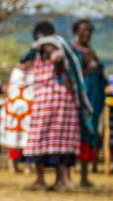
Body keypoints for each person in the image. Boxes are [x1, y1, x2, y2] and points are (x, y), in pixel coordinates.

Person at [19, 21, 81, 191]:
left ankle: (61, 180)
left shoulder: (60, 55)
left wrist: (56, 56)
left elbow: (61, 69)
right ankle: (40, 180)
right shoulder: (35, 57)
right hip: (41, 105)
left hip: (61, 106)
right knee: (38, 140)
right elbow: (23, 63)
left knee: (60, 142)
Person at [68, 19, 106, 188]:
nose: (87, 34)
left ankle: (84, 177)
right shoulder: (71, 51)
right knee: (74, 135)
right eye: (83, 30)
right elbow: (70, 75)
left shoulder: (91, 52)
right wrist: (87, 71)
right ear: (76, 31)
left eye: (90, 31)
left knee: (89, 135)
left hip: (93, 100)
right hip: (77, 101)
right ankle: (67, 176)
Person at [0, 59, 31, 173]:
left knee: (28, 139)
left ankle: (28, 166)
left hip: (28, 113)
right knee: (12, 139)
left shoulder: (33, 74)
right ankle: (12, 165)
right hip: (13, 113)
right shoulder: (15, 73)